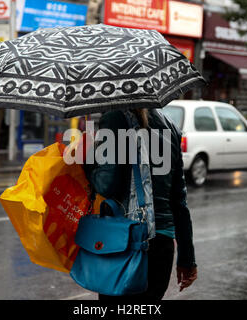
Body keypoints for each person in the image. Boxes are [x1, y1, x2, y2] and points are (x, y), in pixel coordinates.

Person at [84, 108, 197, 301]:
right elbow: (179, 200)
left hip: (125, 243)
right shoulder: (170, 125)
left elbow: (107, 184)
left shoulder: (115, 118)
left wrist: (87, 160)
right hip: (162, 246)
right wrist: (187, 258)